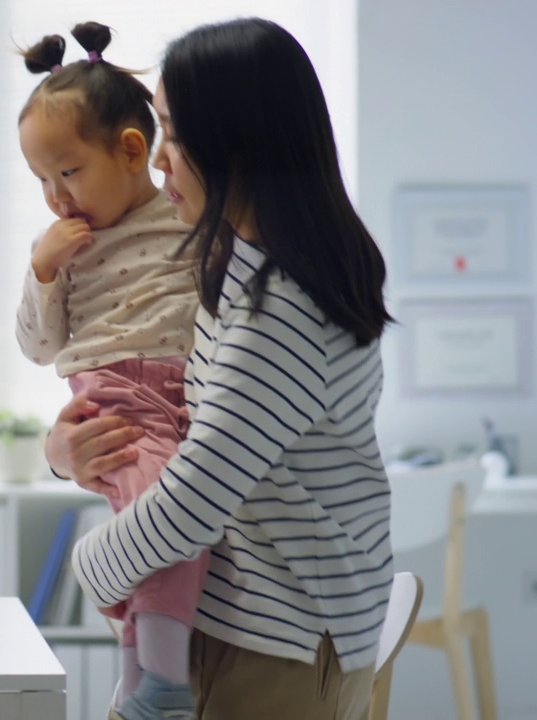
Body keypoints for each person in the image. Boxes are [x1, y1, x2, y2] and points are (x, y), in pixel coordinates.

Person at [50, 18, 395, 720]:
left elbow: (193, 503)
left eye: (172, 134)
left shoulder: (278, 312)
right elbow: (186, 431)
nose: (157, 161)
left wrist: (89, 565)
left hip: (272, 646)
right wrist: (65, 454)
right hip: (255, 633)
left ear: (234, 143)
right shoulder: (246, 278)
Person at [13, 21, 204, 718]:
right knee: (164, 519)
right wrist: (42, 271)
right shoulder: (65, 248)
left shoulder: (187, 218)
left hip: (183, 394)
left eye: (68, 171)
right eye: (40, 179)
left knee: (156, 526)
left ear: (132, 151)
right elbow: (38, 347)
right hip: (115, 396)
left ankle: (140, 681)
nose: (57, 197)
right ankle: (160, 681)